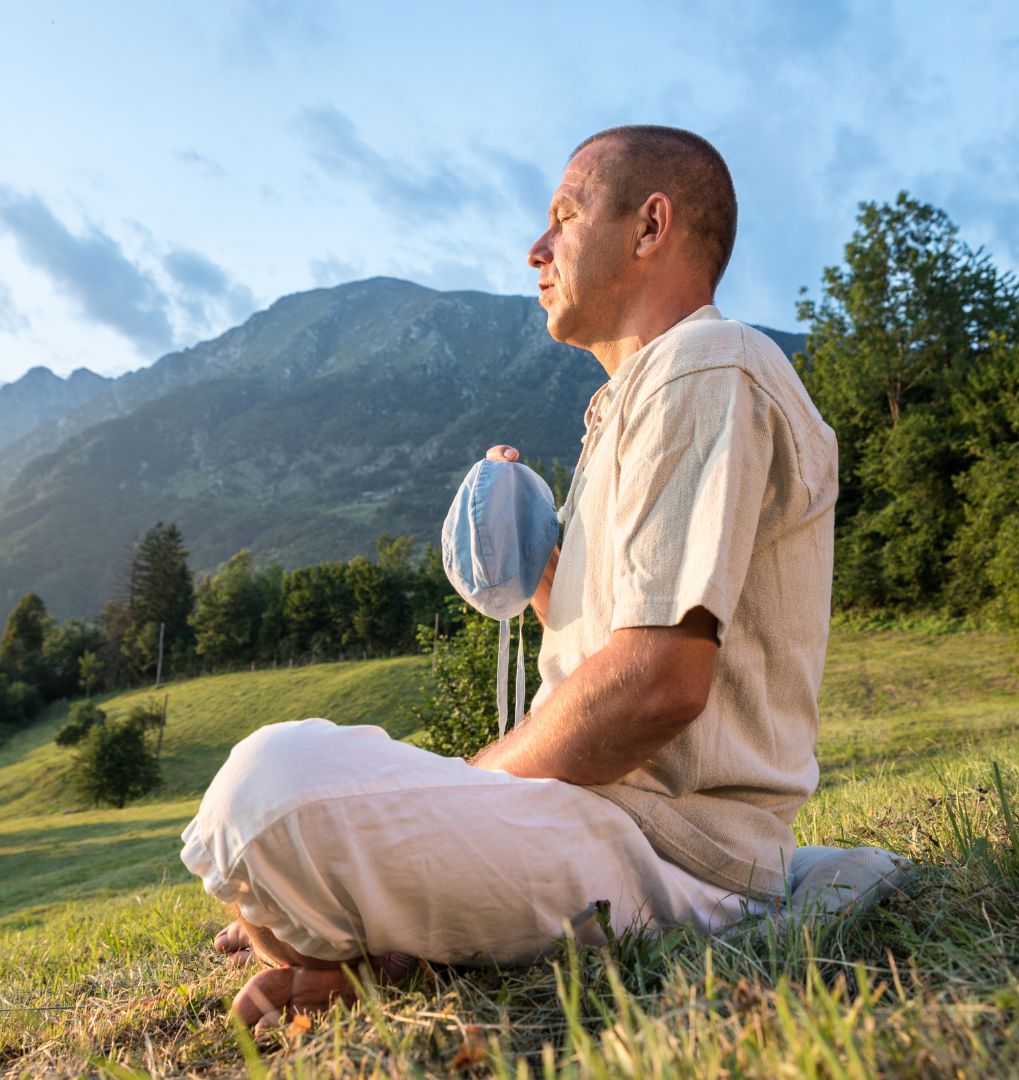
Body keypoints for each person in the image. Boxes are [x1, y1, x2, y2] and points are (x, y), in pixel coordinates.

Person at [181, 124, 838, 1030]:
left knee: (268, 789)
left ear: (650, 227)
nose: (535, 250)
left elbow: (655, 684)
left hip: (676, 856)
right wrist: (539, 574)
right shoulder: (631, 404)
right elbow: (607, 653)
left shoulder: (704, 364)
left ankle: (352, 922)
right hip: (609, 827)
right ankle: (375, 929)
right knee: (282, 805)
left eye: (563, 217)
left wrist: (468, 789)